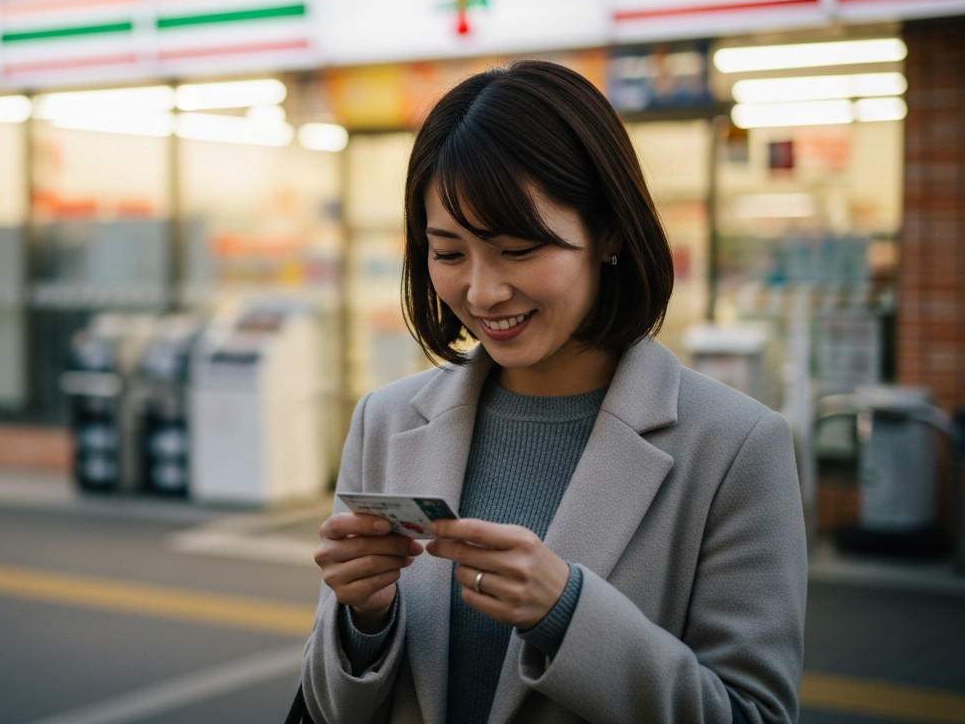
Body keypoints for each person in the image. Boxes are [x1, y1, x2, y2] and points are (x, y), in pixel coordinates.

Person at [301, 62, 806, 724]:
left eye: (517, 249)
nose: (481, 292)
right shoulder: (385, 420)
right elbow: (327, 706)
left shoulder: (735, 447)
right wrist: (363, 620)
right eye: (448, 253)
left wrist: (566, 613)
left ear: (611, 233)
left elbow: (754, 714)